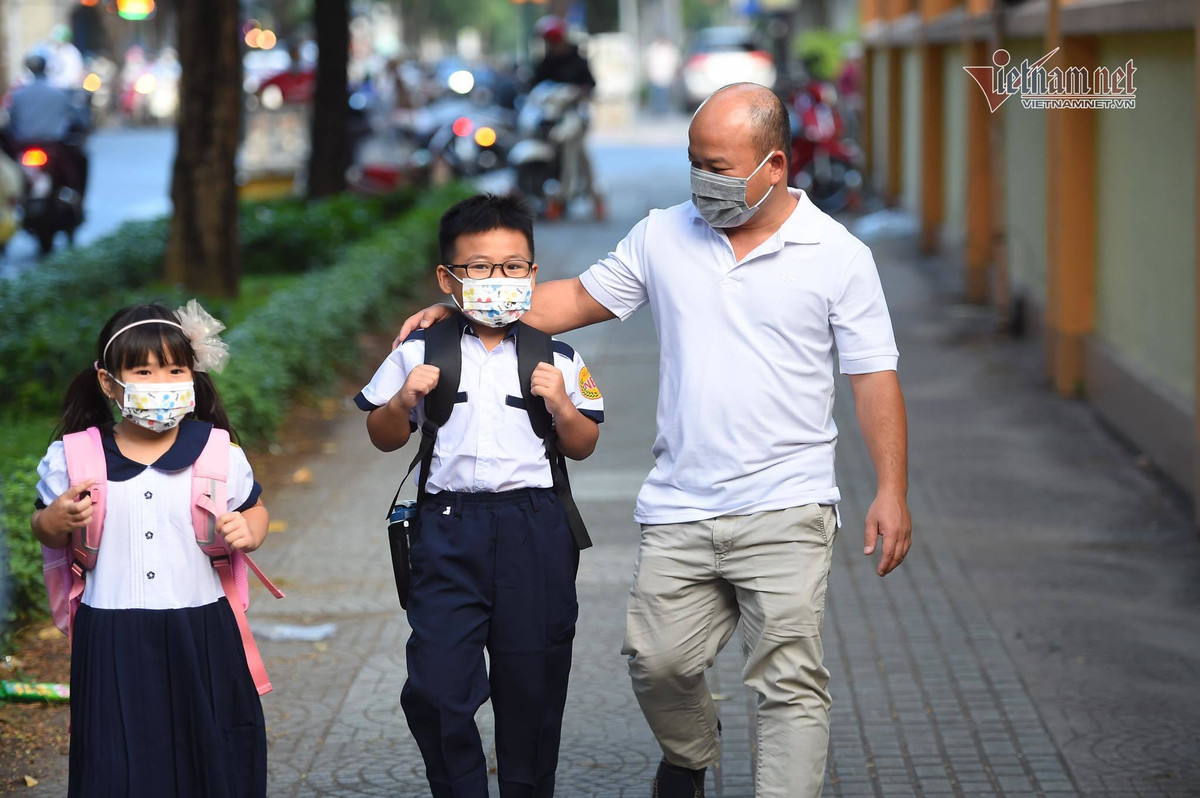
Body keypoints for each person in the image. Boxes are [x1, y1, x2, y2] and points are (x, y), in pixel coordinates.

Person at [397, 83, 913, 798]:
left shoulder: (839, 255)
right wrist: (469, 306)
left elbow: (873, 377)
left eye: (719, 167)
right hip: (681, 503)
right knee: (657, 663)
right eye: (694, 162)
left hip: (788, 502)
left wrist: (890, 490)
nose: (702, 180)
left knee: (789, 681)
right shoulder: (664, 234)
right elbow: (575, 300)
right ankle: (689, 754)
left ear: (774, 165)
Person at [357, 194, 604, 797]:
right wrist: (402, 401)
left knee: (534, 684)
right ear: (448, 280)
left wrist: (562, 405)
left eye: (513, 266)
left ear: (533, 273)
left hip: (534, 528)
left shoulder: (558, 355)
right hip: (447, 529)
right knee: (436, 685)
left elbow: (583, 444)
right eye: (480, 267)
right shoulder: (419, 351)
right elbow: (383, 436)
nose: (499, 279)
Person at [31, 303, 270, 797]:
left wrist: (250, 530)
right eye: (143, 372)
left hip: (203, 628)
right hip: (111, 633)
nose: (162, 383)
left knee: (210, 752)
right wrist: (53, 521)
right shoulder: (74, 457)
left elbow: (255, 510)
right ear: (108, 382)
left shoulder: (218, 451)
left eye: (175, 370)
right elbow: (45, 528)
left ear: (193, 375)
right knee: (116, 760)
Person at [530, 15, 604, 220]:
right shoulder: (546, 62)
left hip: (574, 116)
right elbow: (535, 86)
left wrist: (579, 94)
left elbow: (591, 86)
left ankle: (590, 198)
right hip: (549, 117)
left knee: (575, 153)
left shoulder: (577, 60)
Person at [7, 53, 89, 195]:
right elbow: (75, 117)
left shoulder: (18, 95)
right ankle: (76, 196)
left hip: (23, 145)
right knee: (79, 162)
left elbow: (11, 120)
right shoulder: (58, 93)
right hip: (53, 145)